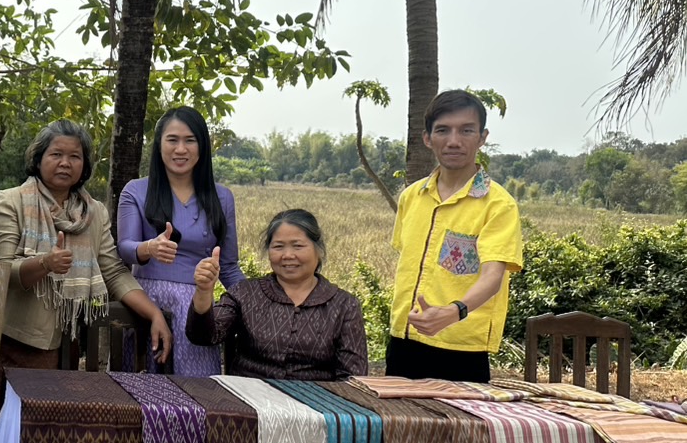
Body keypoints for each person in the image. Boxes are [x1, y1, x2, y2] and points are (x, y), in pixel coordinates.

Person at [0, 119, 173, 443]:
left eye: (75, 156)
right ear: (38, 159)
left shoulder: (93, 213)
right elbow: (1, 271)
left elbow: (114, 272)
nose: (65, 163)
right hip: (7, 340)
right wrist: (45, 264)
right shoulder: (10, 202)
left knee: (40, 441)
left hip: (64, 344)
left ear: (85, 165)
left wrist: (153, 314)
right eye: (56, 154)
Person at [386, 89, 523, 383]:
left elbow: (492, 278)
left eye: (466, 130)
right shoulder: (412, 197)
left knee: (461, 430)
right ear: (427, 138)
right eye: (443, 130)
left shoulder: (498, 205)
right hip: (404, 340)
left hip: (461, 347)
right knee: (398, 428)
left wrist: (454, 312)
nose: (454, 141)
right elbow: (407, 263)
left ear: (482, 137)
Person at [117, 106, 244, 375]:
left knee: (197, 392)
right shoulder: (136, 191)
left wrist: (256, 302)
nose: (180, 149)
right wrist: (150, 247)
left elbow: (229, 266)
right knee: (142, 392)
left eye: (190, 140)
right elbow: (125, 248)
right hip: (146, 303)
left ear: (202, 146)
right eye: (172, 140)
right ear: (159, 145)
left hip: (197, 306)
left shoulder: (222, 198)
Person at [186, 209, 368, 380]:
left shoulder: (345, 305)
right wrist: (203, 290)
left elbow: (353, 377)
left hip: (314, 408)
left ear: (318, 250)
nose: (287, 255)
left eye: (298, 246)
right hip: (250, 404)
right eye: (278, 247)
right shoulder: (245, 293)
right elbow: (204, 336)